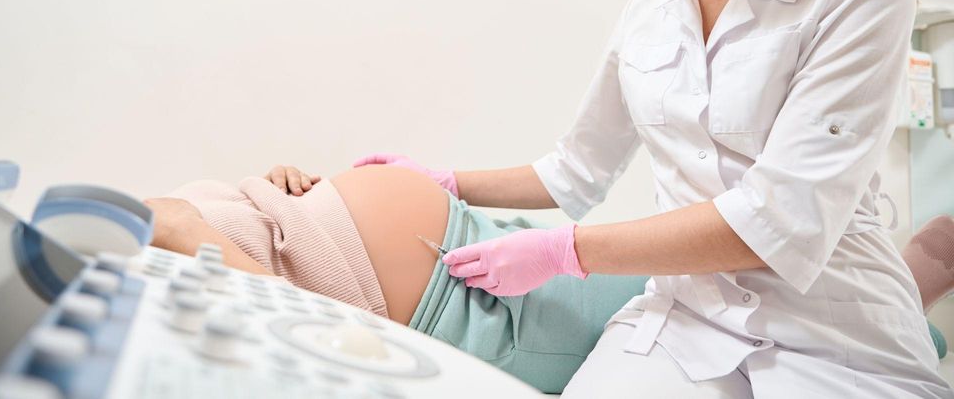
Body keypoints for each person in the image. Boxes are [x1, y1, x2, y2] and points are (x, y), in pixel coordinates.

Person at [271, 0, 953, 397]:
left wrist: (566, 251)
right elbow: (574, 170)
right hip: (690, 321)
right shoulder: (648, 20)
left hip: (838, 334)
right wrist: (445, 180)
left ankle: (931, 264)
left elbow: (781, 219)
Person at [144, 163, 951, 395]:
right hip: (478, 318)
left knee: (735, 279)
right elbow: (291, 338)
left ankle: (899, 278)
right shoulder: (133, 348)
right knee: (731, 308)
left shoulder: (82, 249)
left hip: (469, 246)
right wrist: (196, 234)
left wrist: (287, 188)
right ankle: (920, 283)